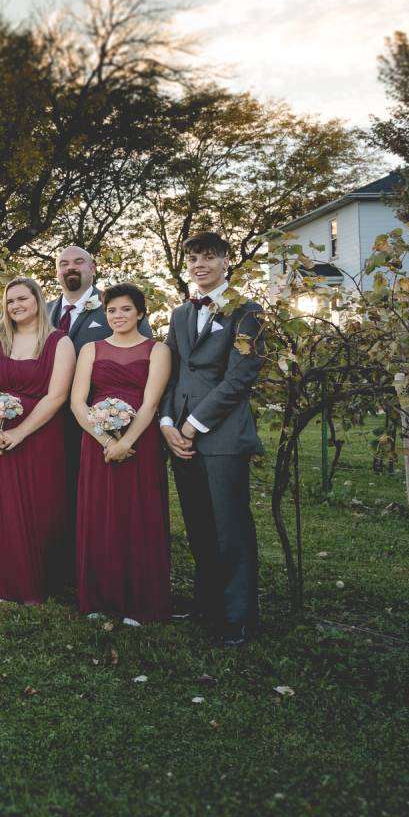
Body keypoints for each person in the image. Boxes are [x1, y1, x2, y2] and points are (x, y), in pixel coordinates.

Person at [160, 232, 265, 646]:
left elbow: (241, 375)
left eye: (208, 257)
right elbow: (169, 372)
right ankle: (207, 604)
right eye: (192, 258)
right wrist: (168, 423)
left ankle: (240, 617)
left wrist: (195, 423)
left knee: (231, 527)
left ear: (226, 260)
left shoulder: (247, 311)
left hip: (221, 437)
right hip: (180, 438)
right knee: (199, 525)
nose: (199, 265)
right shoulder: (179, 314)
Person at [69, 284, 172, 623]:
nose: (118, 316)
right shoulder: (91, 349)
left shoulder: (157, 350)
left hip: (140, 444)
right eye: (112, 310)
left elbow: (151, 402)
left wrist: (127, 442)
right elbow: (77, 402)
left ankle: (140, 601)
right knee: (99, 516)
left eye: (126, 309)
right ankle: (100, 597)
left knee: (138, 517)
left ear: (140, 313)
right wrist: (105, 441)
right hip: (96, 444)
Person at [0, 277, 75, 605]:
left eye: (22, 299)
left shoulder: (60, 342)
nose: (15, 306)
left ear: (38, 300)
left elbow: (56, 396)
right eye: (10, 300)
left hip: (40, 436)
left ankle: (37, 580)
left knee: (38, 505)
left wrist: (21, 431)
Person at [45, 246, 153, 550]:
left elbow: (143, 353)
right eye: (63, 263)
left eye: (79, 261)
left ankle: (97, 551)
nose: (71, 267)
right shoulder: (45, 309)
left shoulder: (116, 306)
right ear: (57, 271)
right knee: (55, 489)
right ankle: (60, 554)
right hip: (49, 416)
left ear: (93, 267)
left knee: (94, 493)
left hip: (102, 420)